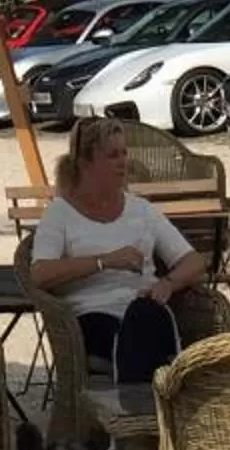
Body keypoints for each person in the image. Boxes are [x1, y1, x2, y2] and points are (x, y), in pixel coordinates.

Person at [29, 117, 208, 383]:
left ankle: (136, 409)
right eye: (112, 155)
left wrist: (168, 283)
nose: (123, 161)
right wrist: (104, 261)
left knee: (144, 314)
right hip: (92, 317)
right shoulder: (60, 213)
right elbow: (40, 274)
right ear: (86, 163)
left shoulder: (141, 210)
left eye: (124, 153)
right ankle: (157, 405)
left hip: (146, 308)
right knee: (140, 330)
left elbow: (194, 262)